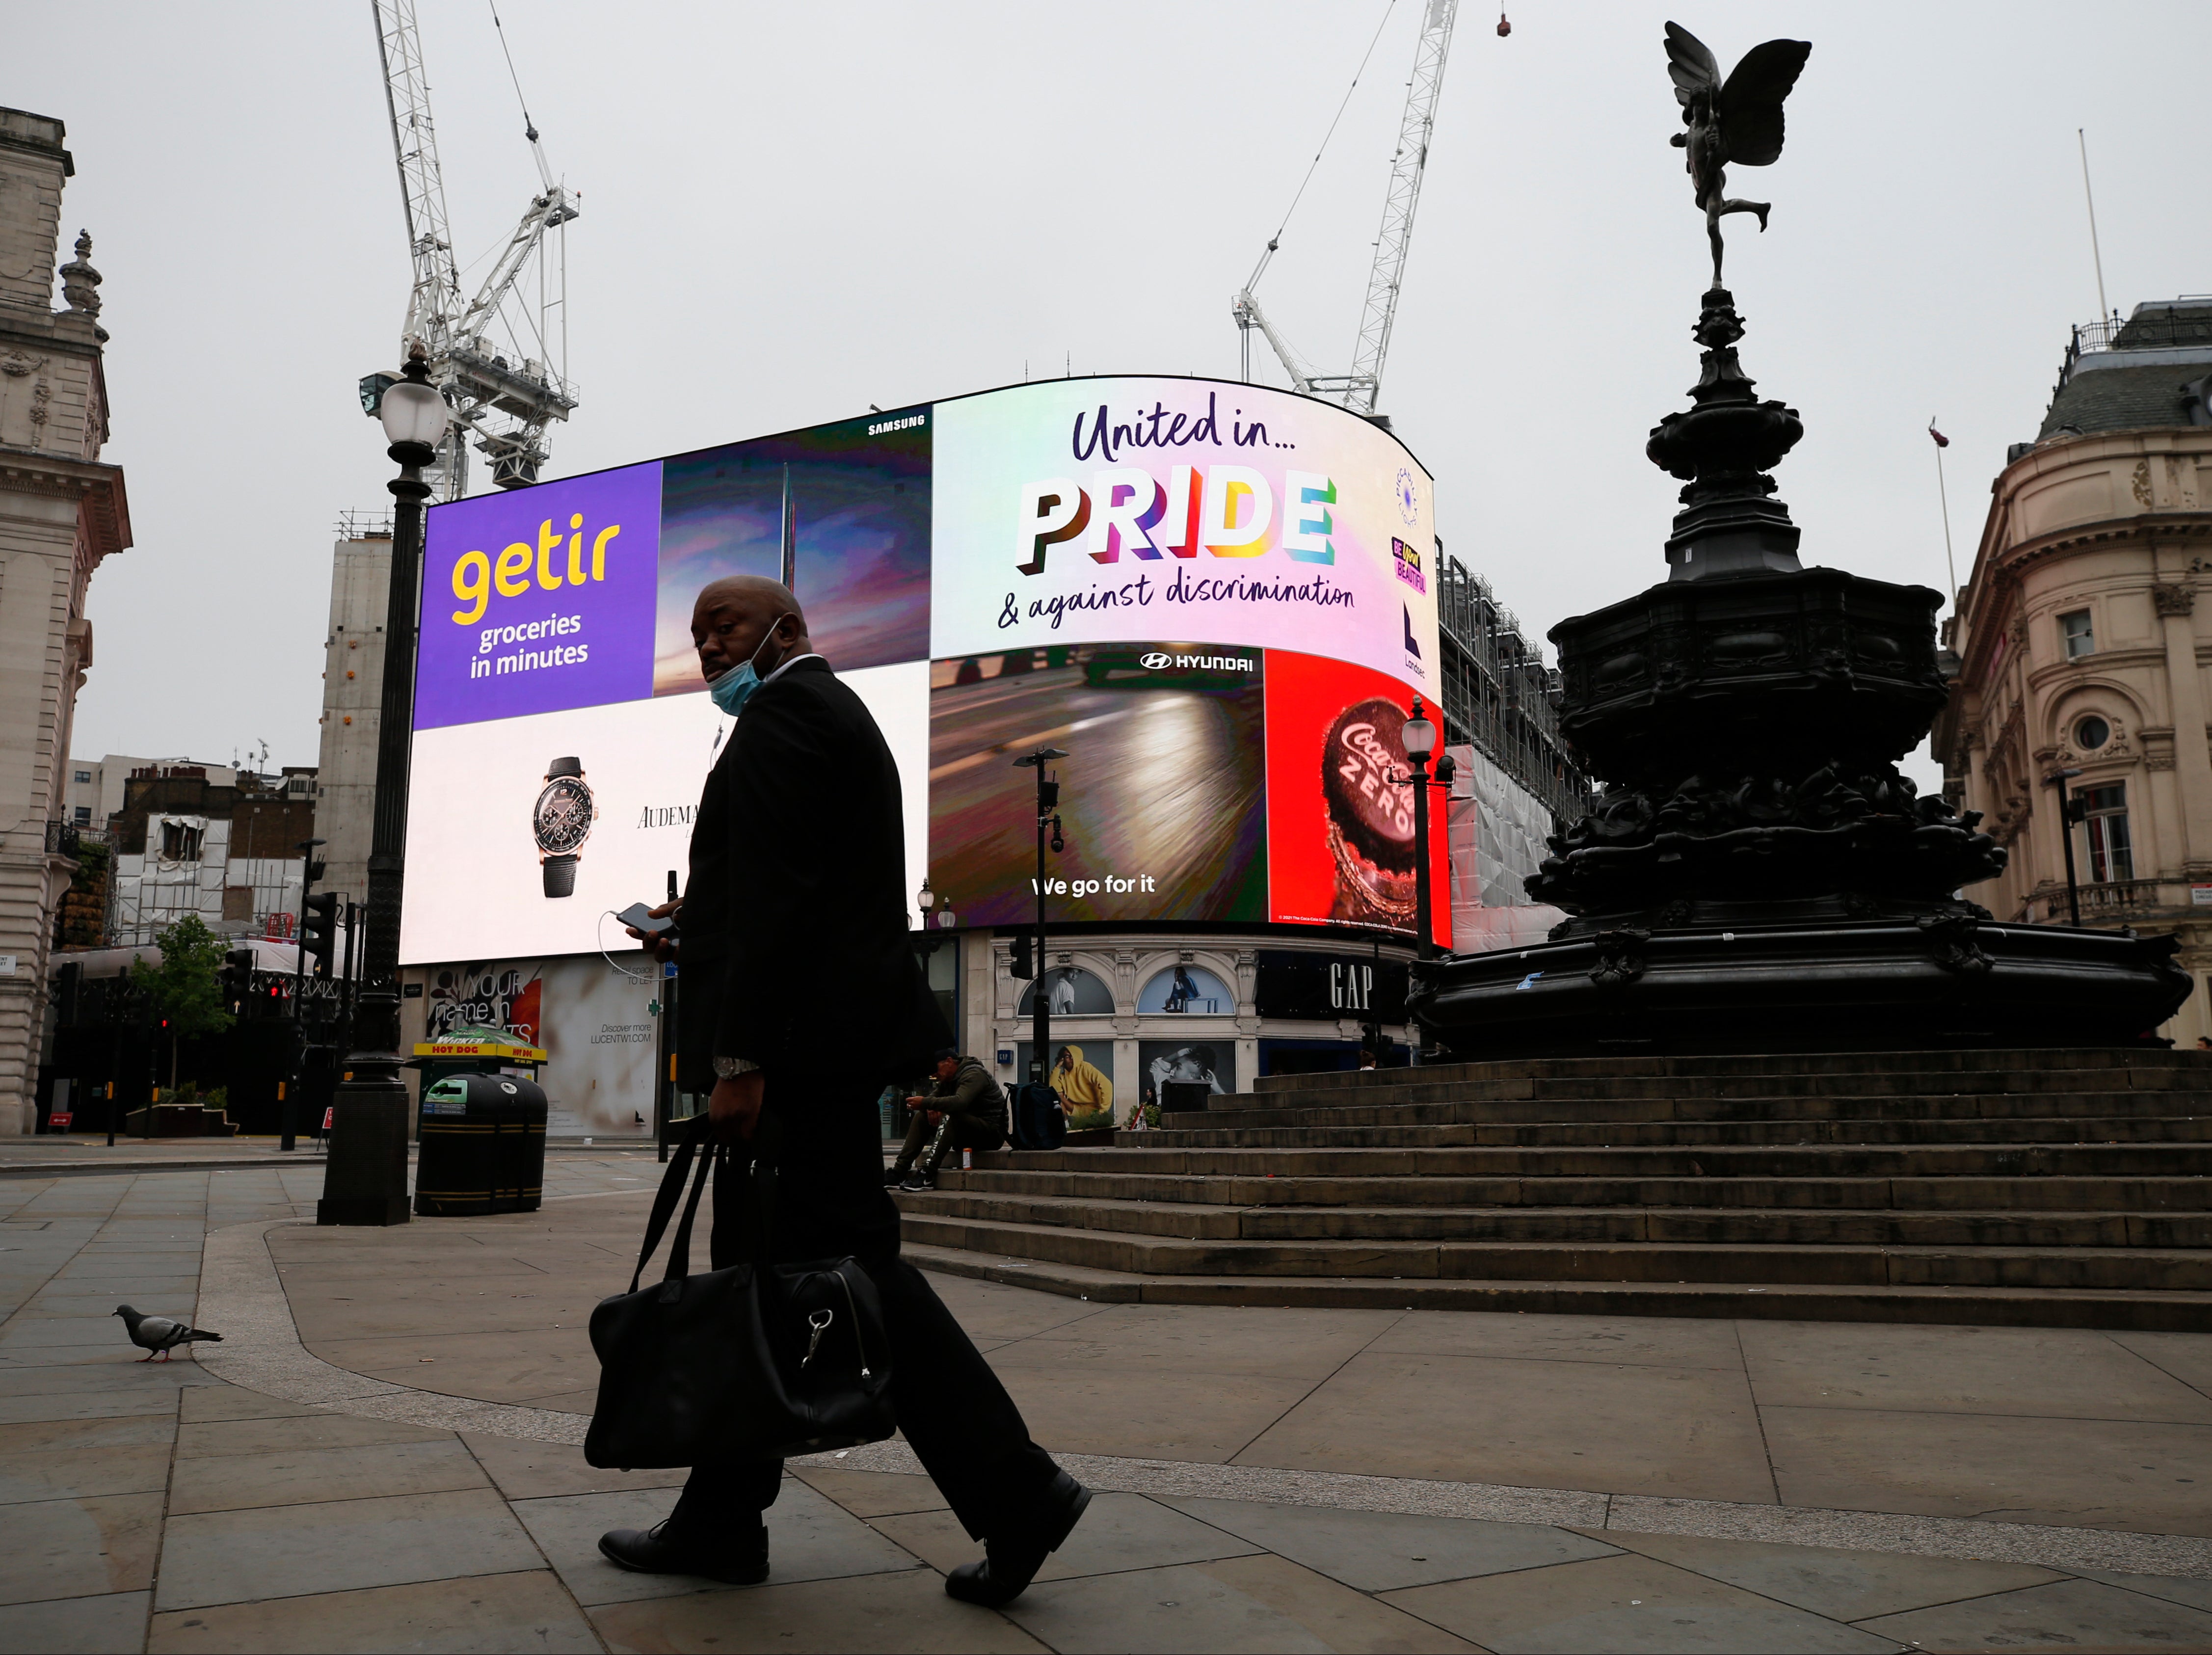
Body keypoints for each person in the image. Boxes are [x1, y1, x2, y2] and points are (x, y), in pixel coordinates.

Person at [598, 576, 1089, 1604]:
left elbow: (780, 902)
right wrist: (700, 932)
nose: (707, 650)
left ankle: (1019, 1493)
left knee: (854, 1284)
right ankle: (725, 1518)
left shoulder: (787, 715)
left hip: (795, 1063)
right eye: (694, 636)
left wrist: (740, 1062)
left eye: (723, 628)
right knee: (771, 1276)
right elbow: (819, 900)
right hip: (820, 1045)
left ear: (789, 628)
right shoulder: (830, 716)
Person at [889, 1047, 1007, 1189]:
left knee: (951, 1116)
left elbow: (960, 1102)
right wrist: (928, 1107)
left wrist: (926, 1103)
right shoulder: (948, 1080)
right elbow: (933, 1098)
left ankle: (928, 1173)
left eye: (935, 1068)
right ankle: (899, 1171)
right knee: (923, 1117)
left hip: (991, 1134)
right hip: (967, 1133)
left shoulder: (974, 1074)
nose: (933, 1074)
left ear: (949, 1062)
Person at [1051, 1043, 1113, 1126]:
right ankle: (1066, 1126)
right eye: (1067, 1057)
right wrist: (1057, 1067)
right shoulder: (1063, 1077)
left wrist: (1103, 1111)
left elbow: (1107, 1085)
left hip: (1095, 1109)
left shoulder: (1086, 1068)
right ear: (1062, 1060)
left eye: (1073, 1056)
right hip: (1077, 1110)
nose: (1071, 1059)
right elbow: (1052, 1088)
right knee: (1056, 1096)